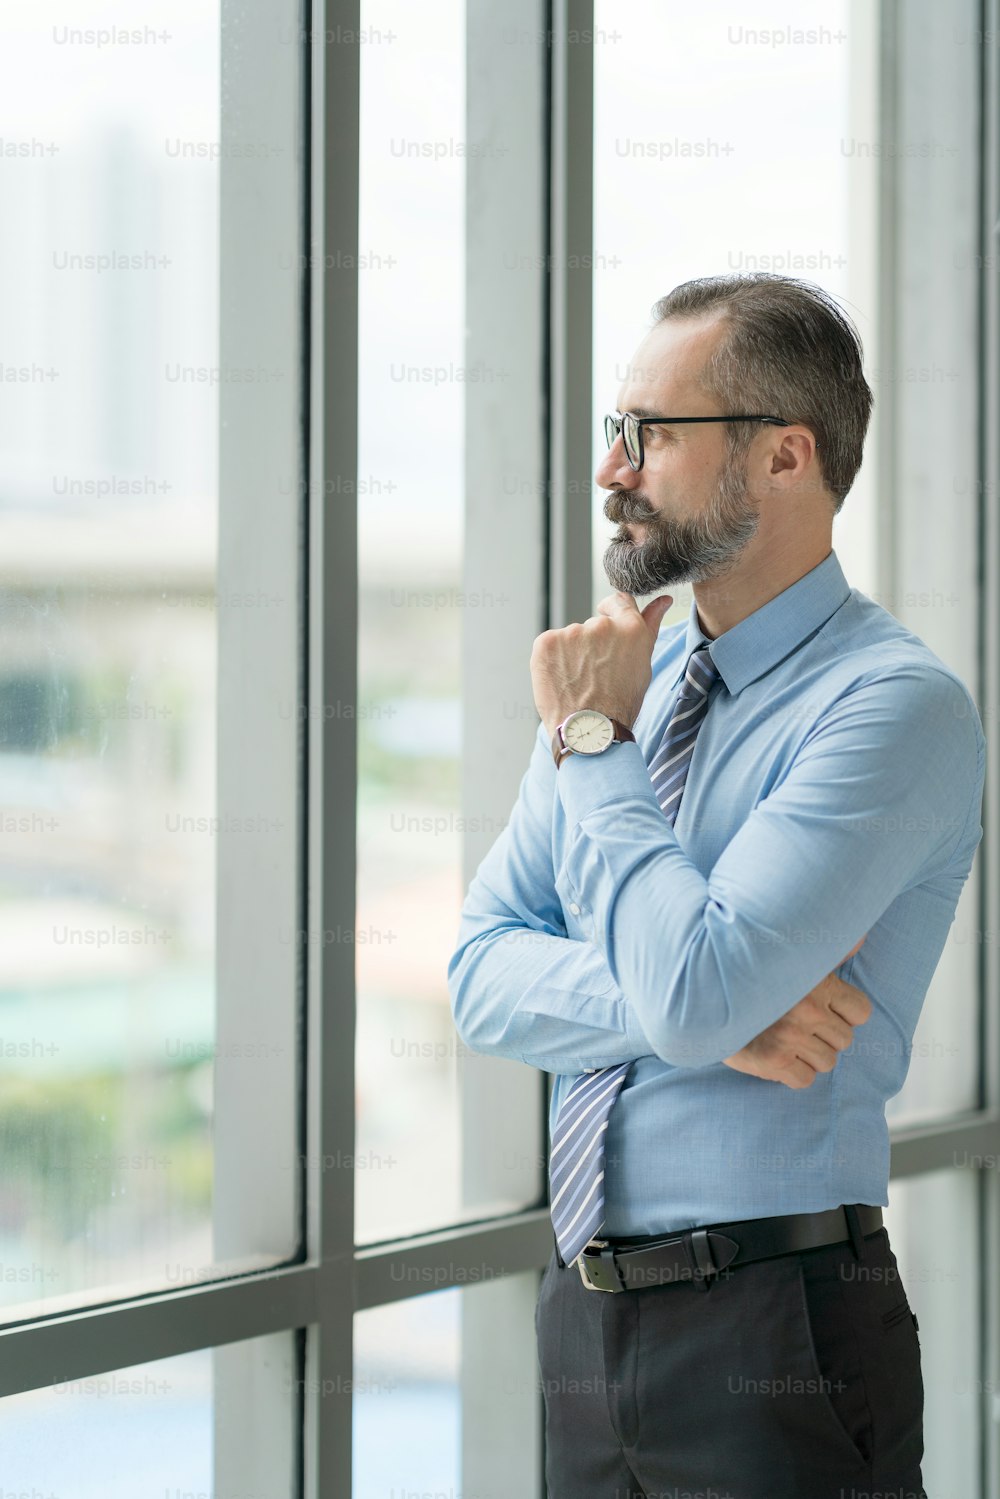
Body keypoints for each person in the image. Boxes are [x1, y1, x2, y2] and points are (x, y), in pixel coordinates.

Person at [447, 273, 985, 1499]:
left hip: (776, 1324)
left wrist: (591, 746)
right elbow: (481, 973)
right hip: (582, 1315)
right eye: (614, 430)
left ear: (785, 454)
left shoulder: (890, 706)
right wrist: (711, 1012)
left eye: (653, 433)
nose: (613, 469)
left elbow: (696, 993)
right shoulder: (632, 679)